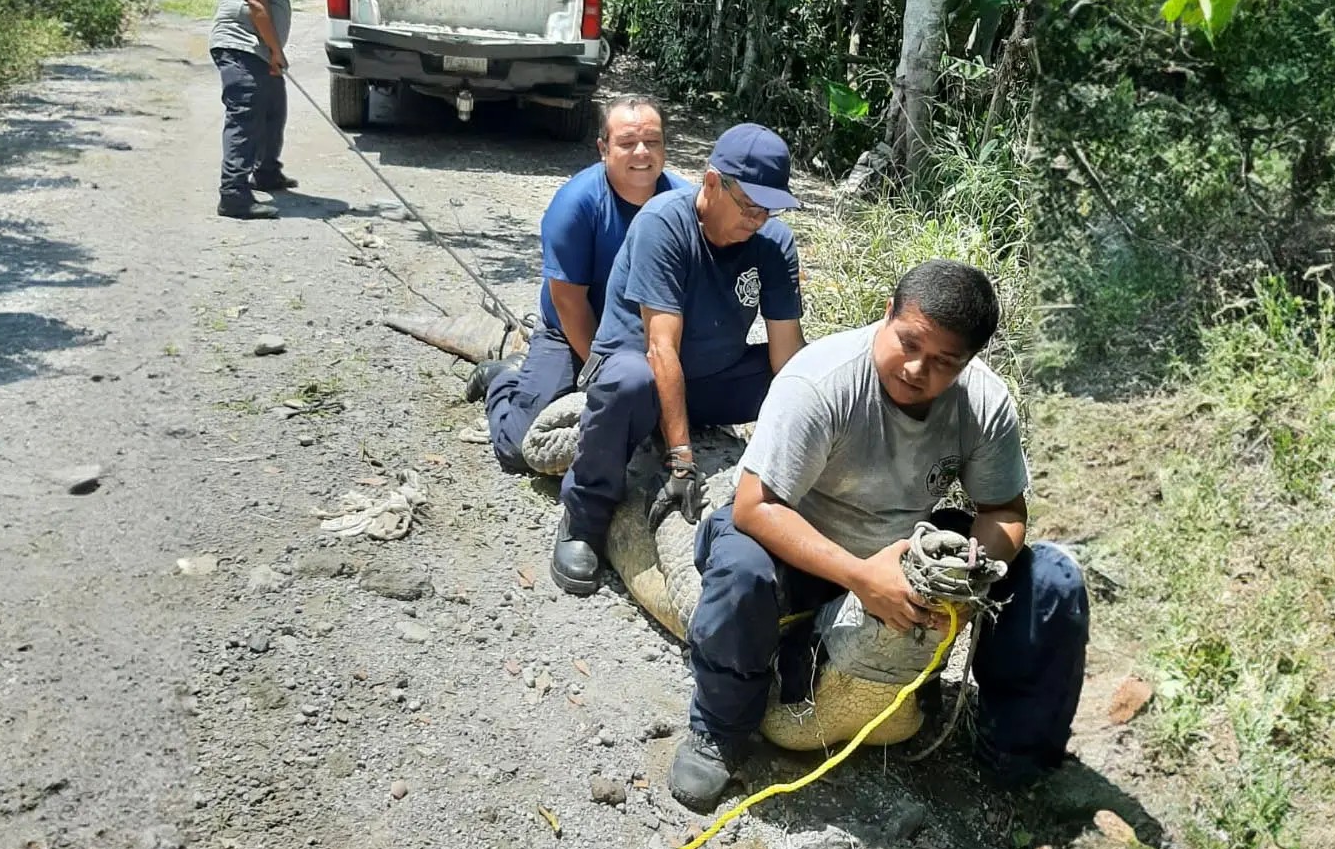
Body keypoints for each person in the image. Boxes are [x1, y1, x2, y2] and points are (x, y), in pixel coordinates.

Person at [664, 259, 1089, 812]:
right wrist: (862, 579)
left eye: (944, 362)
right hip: (793, 539)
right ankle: (719, 730)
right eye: (908, 343)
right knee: (741, 573)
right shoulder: (821, 381)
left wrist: (970, 574)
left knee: (1052, 578)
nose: (916, 368)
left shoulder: (984, 403)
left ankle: (1016, 754)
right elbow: (755, 506)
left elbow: (1004, 510)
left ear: (969, 361)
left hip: (902, 550)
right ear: (887, 314)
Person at [551, 124, 807, 596]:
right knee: (631, 381)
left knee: (803, 381)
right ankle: (584, 516)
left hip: (711, 379)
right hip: (642, 374)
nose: (758, 219)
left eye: (768, 209)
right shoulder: (664, 224)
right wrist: (683, 463)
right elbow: (661, 348)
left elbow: (788, 355)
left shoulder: (774, 243)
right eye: (749, 205)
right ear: (712, 182)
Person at [467, 95, 683, 470]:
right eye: (627, 142)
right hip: (572, 331)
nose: (642, 152)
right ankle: (502, 379)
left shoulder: (683, 203)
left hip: (650, 333)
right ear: (603, 148)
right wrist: (604, 376)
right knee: (518, 449)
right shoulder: (575, 205)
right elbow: (568, 303)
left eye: (652, 141)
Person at [209, 0, 300, 220]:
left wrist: (273, 50)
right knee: (245, 115)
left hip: (259, 49)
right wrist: (276, 50)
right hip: (241, 46)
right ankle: (233, 194)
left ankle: (266, 172)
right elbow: (257, 5)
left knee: (274, 108)